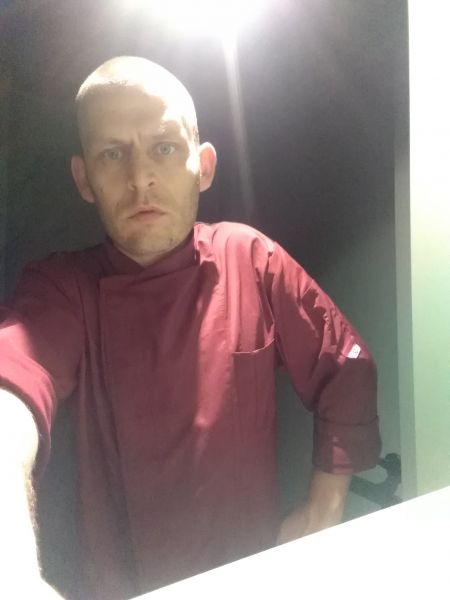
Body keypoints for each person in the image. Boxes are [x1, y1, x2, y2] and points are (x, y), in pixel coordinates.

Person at [0, 56, 381, 600]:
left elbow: (345, 365)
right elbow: (11, 387)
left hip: (249, 581)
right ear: (84, 178)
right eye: (113, 154)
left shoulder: (250, 259)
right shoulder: (63, 289)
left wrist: (325, 505)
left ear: (202, 166)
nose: (140, 178)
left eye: (163, 147)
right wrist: (11, 572)